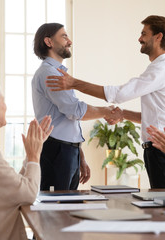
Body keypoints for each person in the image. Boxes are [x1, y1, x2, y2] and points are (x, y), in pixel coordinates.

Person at [45, 16, 165, 190]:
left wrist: (74, 83)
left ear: (158, 37)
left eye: (144, 34)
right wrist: (122, 114)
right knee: (162, 202)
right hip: (156, 148)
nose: (139, 39)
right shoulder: (159, 69)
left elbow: (119, 94)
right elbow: (152, 117)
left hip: (162, 148)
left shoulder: (162, 69)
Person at [32, 23, 121, 191]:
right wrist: (106, 111)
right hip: (57, 151)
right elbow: (74, 111)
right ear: (49, 42)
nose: (70, 41)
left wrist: (79, 156)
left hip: (66, 151)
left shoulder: (59, 74)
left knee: (68, 207)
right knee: (56, 210)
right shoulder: (49, 74)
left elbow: (67, 121)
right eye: (64, 36)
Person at [0, 79, 53, 240]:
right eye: (3, 101)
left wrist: (31, 153)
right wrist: (34, 156)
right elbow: (28, 193)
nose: (6, 106)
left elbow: (13, 187)